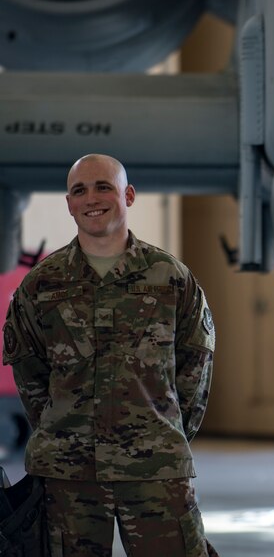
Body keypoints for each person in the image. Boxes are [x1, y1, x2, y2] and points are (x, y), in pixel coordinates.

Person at [2, 154, 217, 556]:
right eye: (79, 190)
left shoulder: (170, 278)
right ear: (69, 203)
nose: (92, 198)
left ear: (128, 195)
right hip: (68, 473)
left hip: (154, 468)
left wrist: (160, 431)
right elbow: (30, 375)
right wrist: (65, 430)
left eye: (104, 187)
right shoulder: (41, 285)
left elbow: (195, 370)